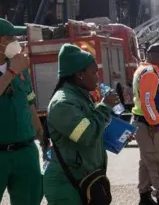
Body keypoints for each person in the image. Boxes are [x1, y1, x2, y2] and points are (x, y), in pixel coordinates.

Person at [43, 43, 121, 204]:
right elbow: (87, 135)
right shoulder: (63, 103)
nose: (98, 77)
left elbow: (92, 126)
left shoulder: (80, 96)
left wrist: (119, 134)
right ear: (79, 74)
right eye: (94, 72)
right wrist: (105, 107)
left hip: (82, 179)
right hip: (67, 186)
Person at [0, 19, 42, 205]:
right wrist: (10, 73)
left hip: (25, 150)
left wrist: (41, 134)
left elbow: (29, 103)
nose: (15, 42)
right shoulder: (14, 69)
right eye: (10, 38)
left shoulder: (21, 70)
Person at [132, 43, 159, 205]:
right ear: (153, 56)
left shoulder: (145, 70)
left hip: (145, 123)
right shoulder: (149, 73)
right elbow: (147, 101)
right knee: (157, 162)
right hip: (150, 126)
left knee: (146, 162)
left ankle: (145, 197)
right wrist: (155, 122)